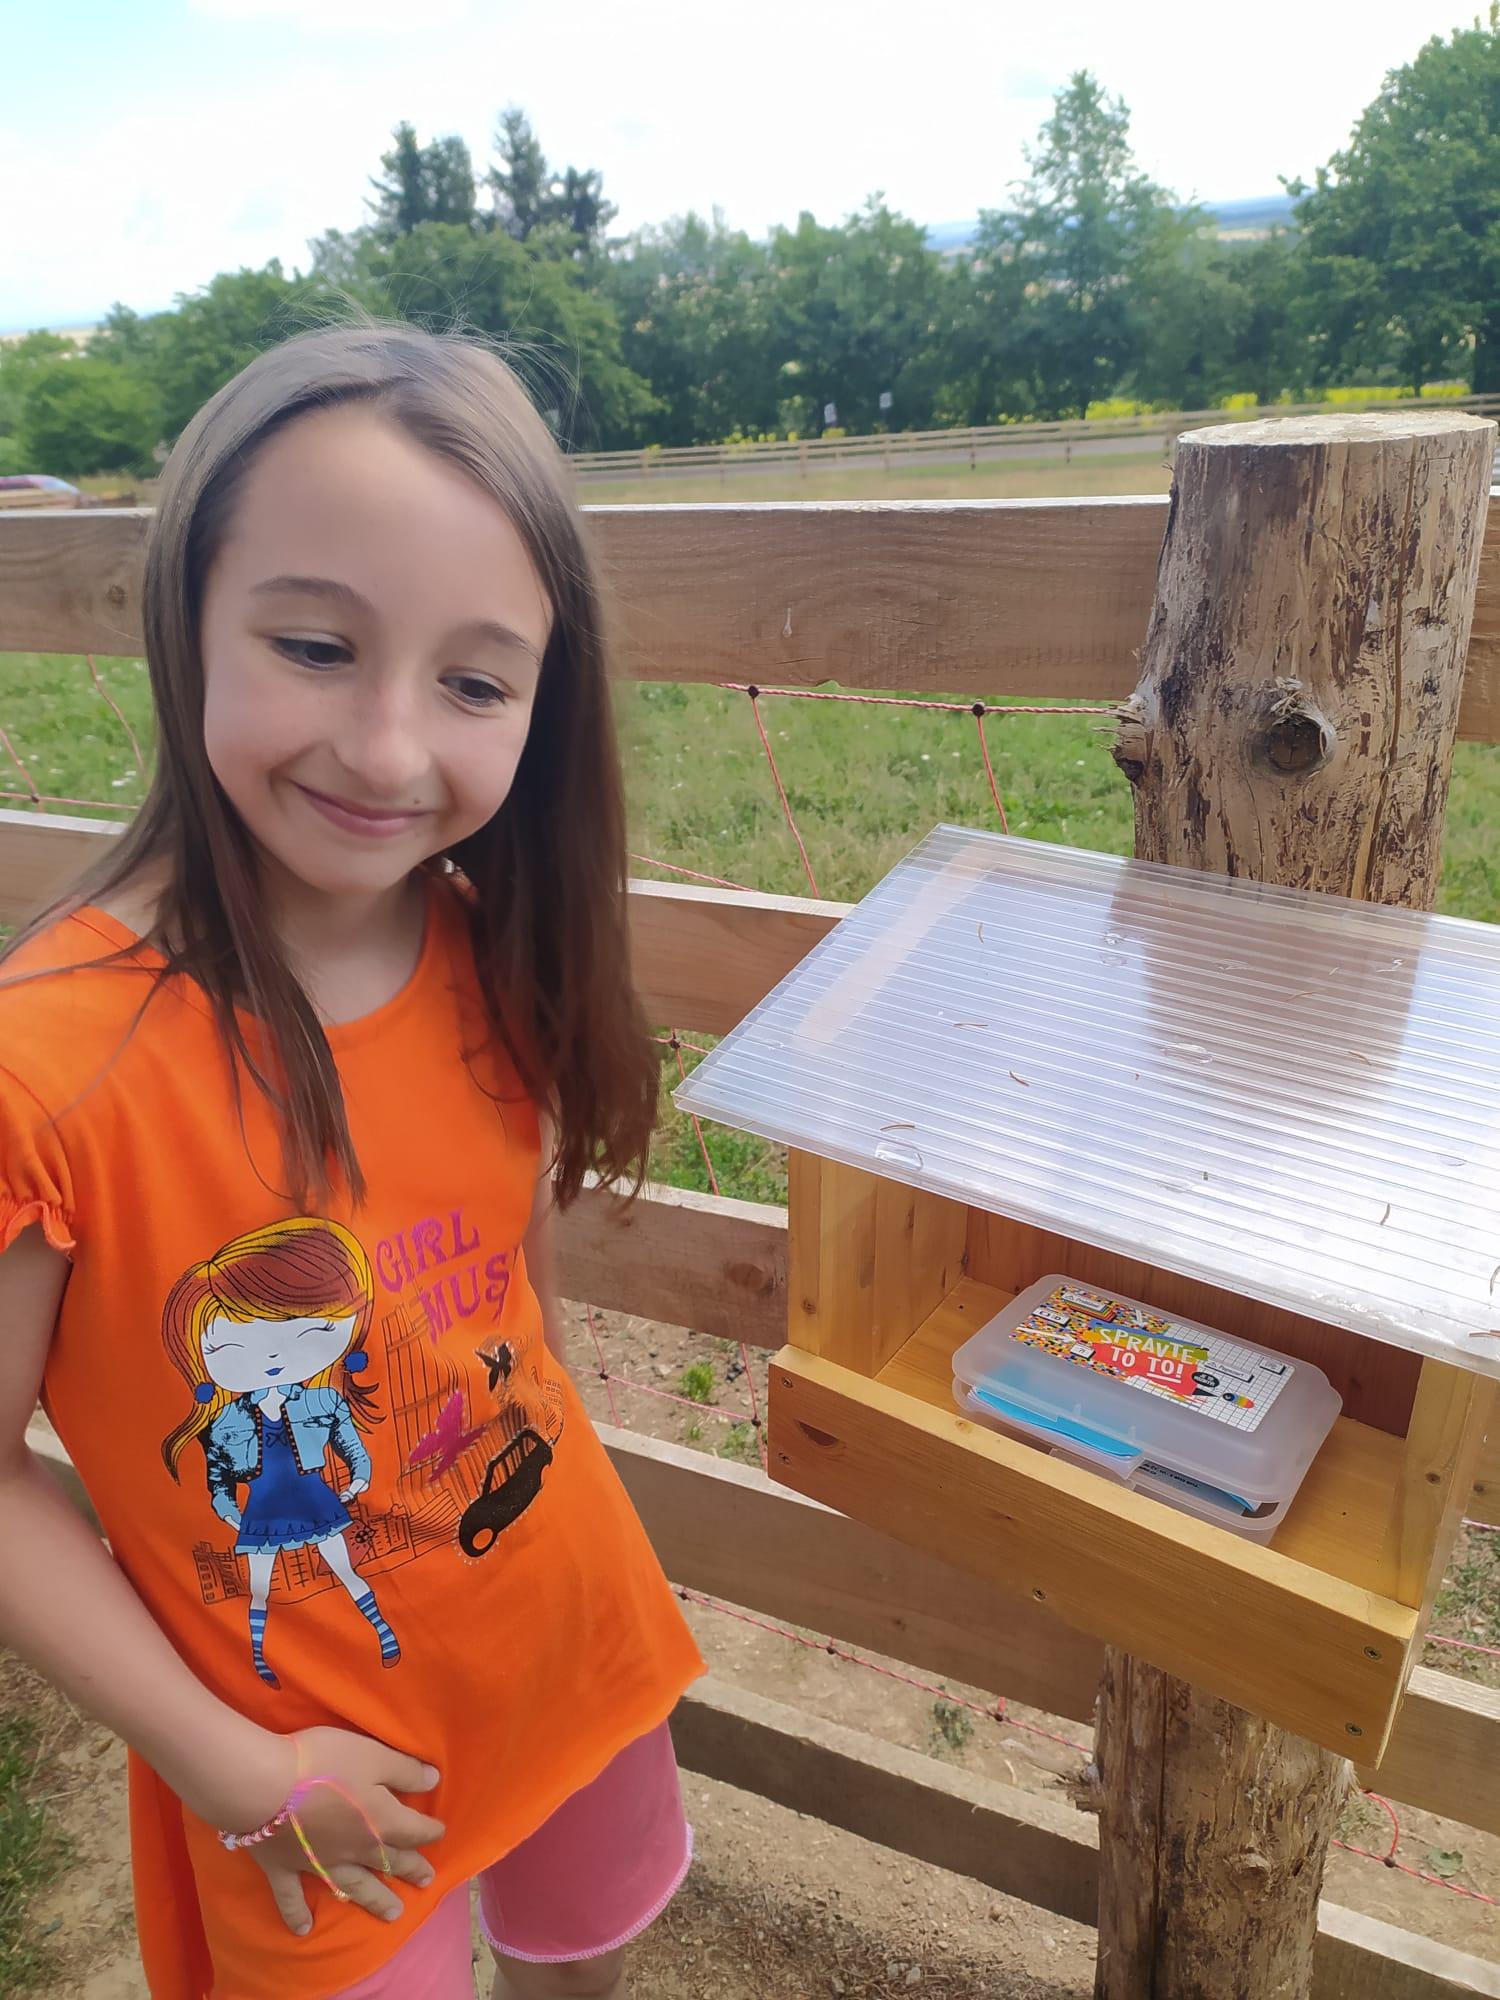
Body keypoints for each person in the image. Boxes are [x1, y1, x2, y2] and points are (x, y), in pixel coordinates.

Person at [0, 324, 705, 2000]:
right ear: (186, 616)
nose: (388, 750)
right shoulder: (48, 1064)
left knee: (585, 1956)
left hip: (569, 1644)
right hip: (306, 1772)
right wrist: (233, 1768)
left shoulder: (492, 948)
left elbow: (513, 1312)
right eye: (316, 646)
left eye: (474, 682)